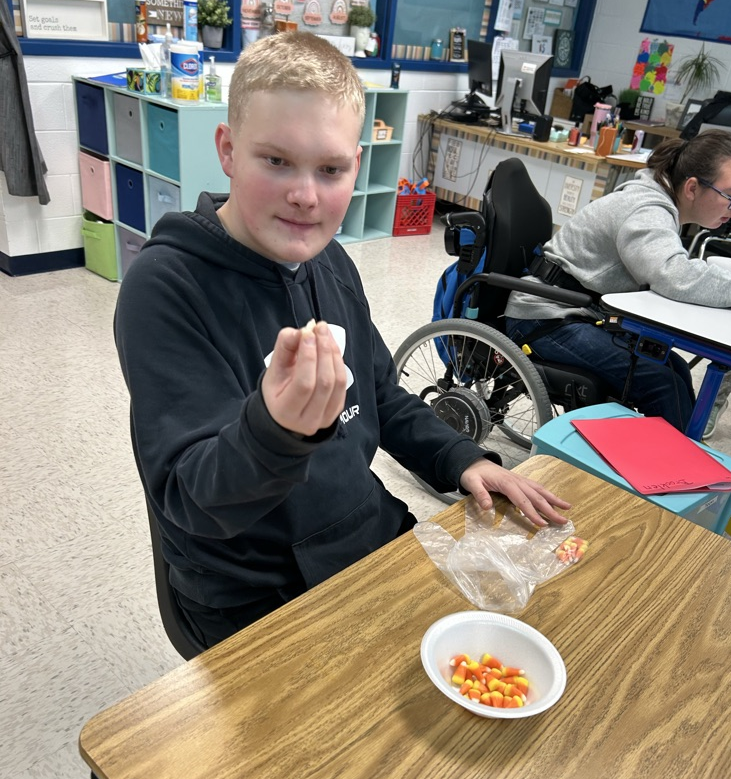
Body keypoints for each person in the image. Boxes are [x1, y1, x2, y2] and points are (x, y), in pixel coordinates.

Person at [115, 32, 569, 650]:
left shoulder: (327, 259)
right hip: (250, 589)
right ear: (227, 150)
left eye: (330, 170)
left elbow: (380, 390)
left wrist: (460, 458)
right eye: (275, 161)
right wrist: (275, 431)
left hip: (360, 534)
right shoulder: (165, 287)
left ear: (356, 164)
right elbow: (192, 501)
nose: (305, 197)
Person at [505, 130, 731, 432]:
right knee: (662, 384)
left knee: (676, 370)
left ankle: (676, 460)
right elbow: (674, 275)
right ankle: (674, 472)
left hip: (577, 310)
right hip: (546, 317)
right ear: (692, 188)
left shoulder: (658, 197)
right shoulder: (647, 210)